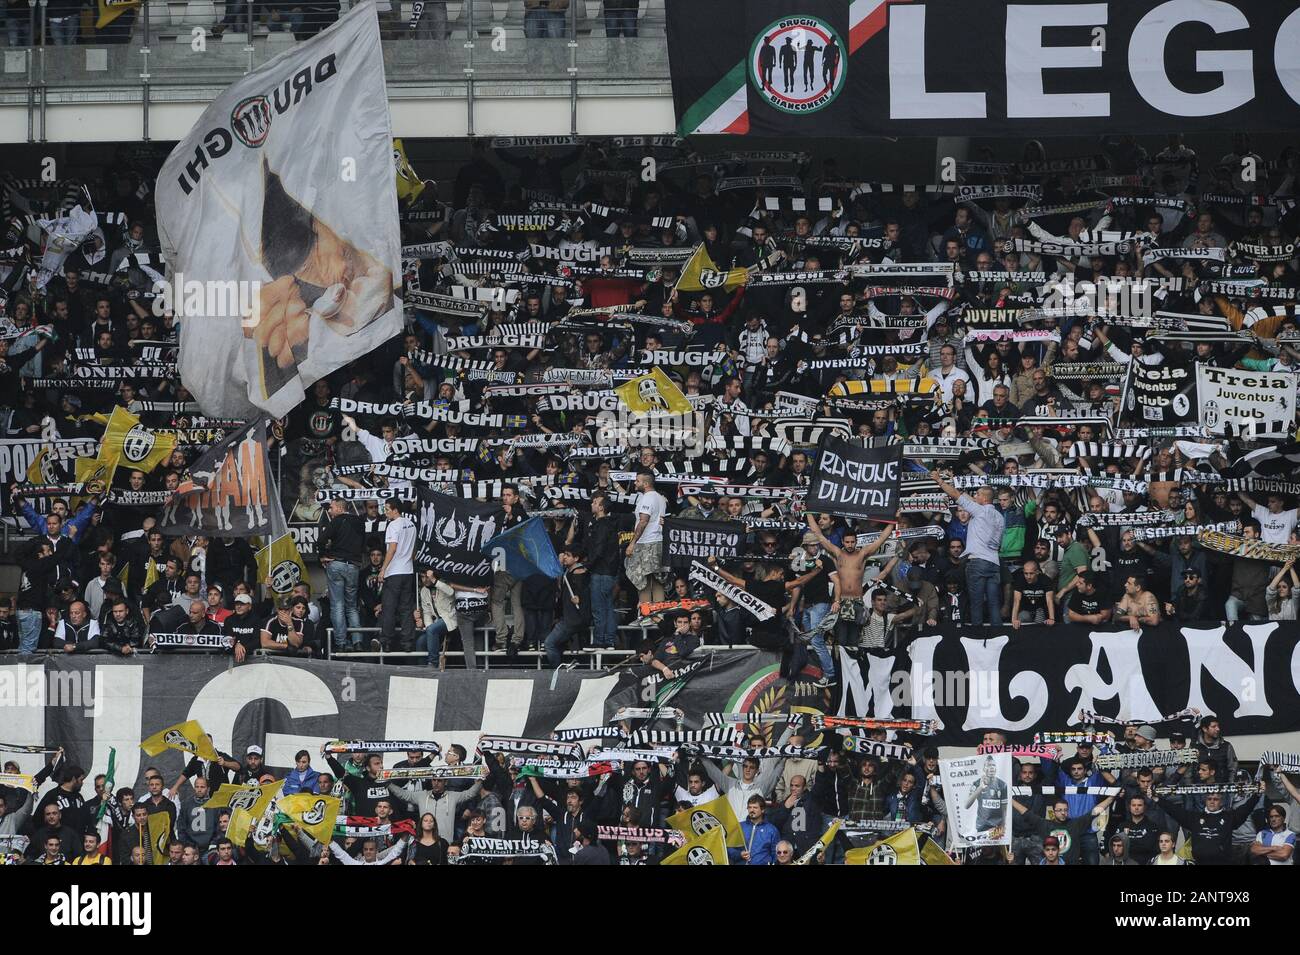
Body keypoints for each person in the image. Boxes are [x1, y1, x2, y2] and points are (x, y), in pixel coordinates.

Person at [928, 470, 1004, 625]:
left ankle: (976, 637)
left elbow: (956, 495)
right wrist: (954, 479)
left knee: (976, 603)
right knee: (994, 604)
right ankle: (999, 636)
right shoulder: (999, 516)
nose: (974, 496)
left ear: (983, 498)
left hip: (978, 562)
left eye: (976, 494)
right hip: (994, 563)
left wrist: (940, 481)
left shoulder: (980, 511)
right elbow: (968, 498)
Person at [319, 498, 365, 650]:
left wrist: (323, 555)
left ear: (339, 508)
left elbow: (321, 540)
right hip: (353, 566)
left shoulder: (337, 521)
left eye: (331, 508)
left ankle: (341, 643)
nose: (330, 511)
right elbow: (363, 544)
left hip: (337, 564)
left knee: (338, 605)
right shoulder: (360, 521)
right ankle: (358, 642)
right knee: (352, 606)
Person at [378, 499, 417, 652]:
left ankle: (386, 642)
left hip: (394, 572)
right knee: (406, 608)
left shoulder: (393, 525)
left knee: (389, 608)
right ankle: (408, 643)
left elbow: (392, 548)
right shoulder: (412, 524)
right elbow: (414, 549)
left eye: (387, 509)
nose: (385, 512)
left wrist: (383, 569)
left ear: (395, 510)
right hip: (408, 571)